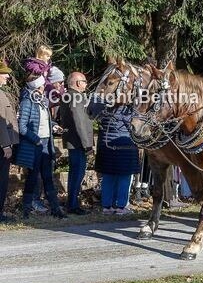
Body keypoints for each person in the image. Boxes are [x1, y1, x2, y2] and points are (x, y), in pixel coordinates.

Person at [14, 76, 65, 219]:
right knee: (33, 176)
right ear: (38, 87)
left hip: (46, 142)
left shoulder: (42, 101)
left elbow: (44, 120)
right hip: (35, 144)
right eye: (43, 85)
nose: (45, 88)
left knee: (48, 176)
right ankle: (26, 208)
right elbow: (22, 127)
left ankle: (56, 208)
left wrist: (54, 125)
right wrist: (36, 140)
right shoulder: (27, 102)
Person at [88, 87, 142, 215]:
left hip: (107, 147)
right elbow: (137, 127)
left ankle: (107, 206)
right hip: (125, 147)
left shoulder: (104, 108)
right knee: (124, 178)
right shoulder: (130, 110)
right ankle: (121, 206)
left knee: (108, 177)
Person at [56, 71, 93, 214]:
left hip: (73, 141)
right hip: (78, 142)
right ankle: (72, 205)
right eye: (84, 81)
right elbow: (79, 123)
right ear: (78, 83)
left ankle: (72, 203)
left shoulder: (67, 96)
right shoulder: (76, 96)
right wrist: (87, 144)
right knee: (77, 174)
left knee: (74, 174)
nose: (86, 84)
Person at [0, 62, 18, 223]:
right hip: (1, 146)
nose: (7, 76)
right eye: (4, 73)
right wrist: (6, 145)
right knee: (1, 181)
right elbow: (0, 122)